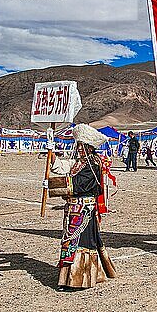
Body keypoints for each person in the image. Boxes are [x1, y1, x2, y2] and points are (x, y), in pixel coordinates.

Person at [46, 124, 116, 291]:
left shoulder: (92, 164)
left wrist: (53, 185)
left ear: (88, 147)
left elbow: (80, 183)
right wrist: (51, 152)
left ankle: (80, 278)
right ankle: (71, 277)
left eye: (81, 146)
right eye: (77, 145)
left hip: (84, 209)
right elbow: (61, 167)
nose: (78, 149)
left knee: (81, 243)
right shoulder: (79, 162)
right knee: (70, 242)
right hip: (73, 208)